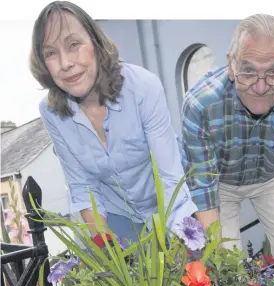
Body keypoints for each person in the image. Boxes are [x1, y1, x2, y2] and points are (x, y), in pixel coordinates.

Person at [31, 2, 196, 241]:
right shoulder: (51, 112)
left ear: (95, 44)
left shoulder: (142, 87)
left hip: (166, 205)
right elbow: (81, 184)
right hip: (116, 213)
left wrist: (179, 243)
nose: (65, 63)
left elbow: (170, 177)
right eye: (51, 53)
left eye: (74, 44)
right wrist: (106, 247)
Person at [181, 14, 274, 280]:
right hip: (219, 182)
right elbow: (202, 188)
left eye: (273, 71)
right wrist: (221, 273)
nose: (260, 87)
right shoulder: (200, 105)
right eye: (248, 70)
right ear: (230, 64)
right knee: (225, 267)